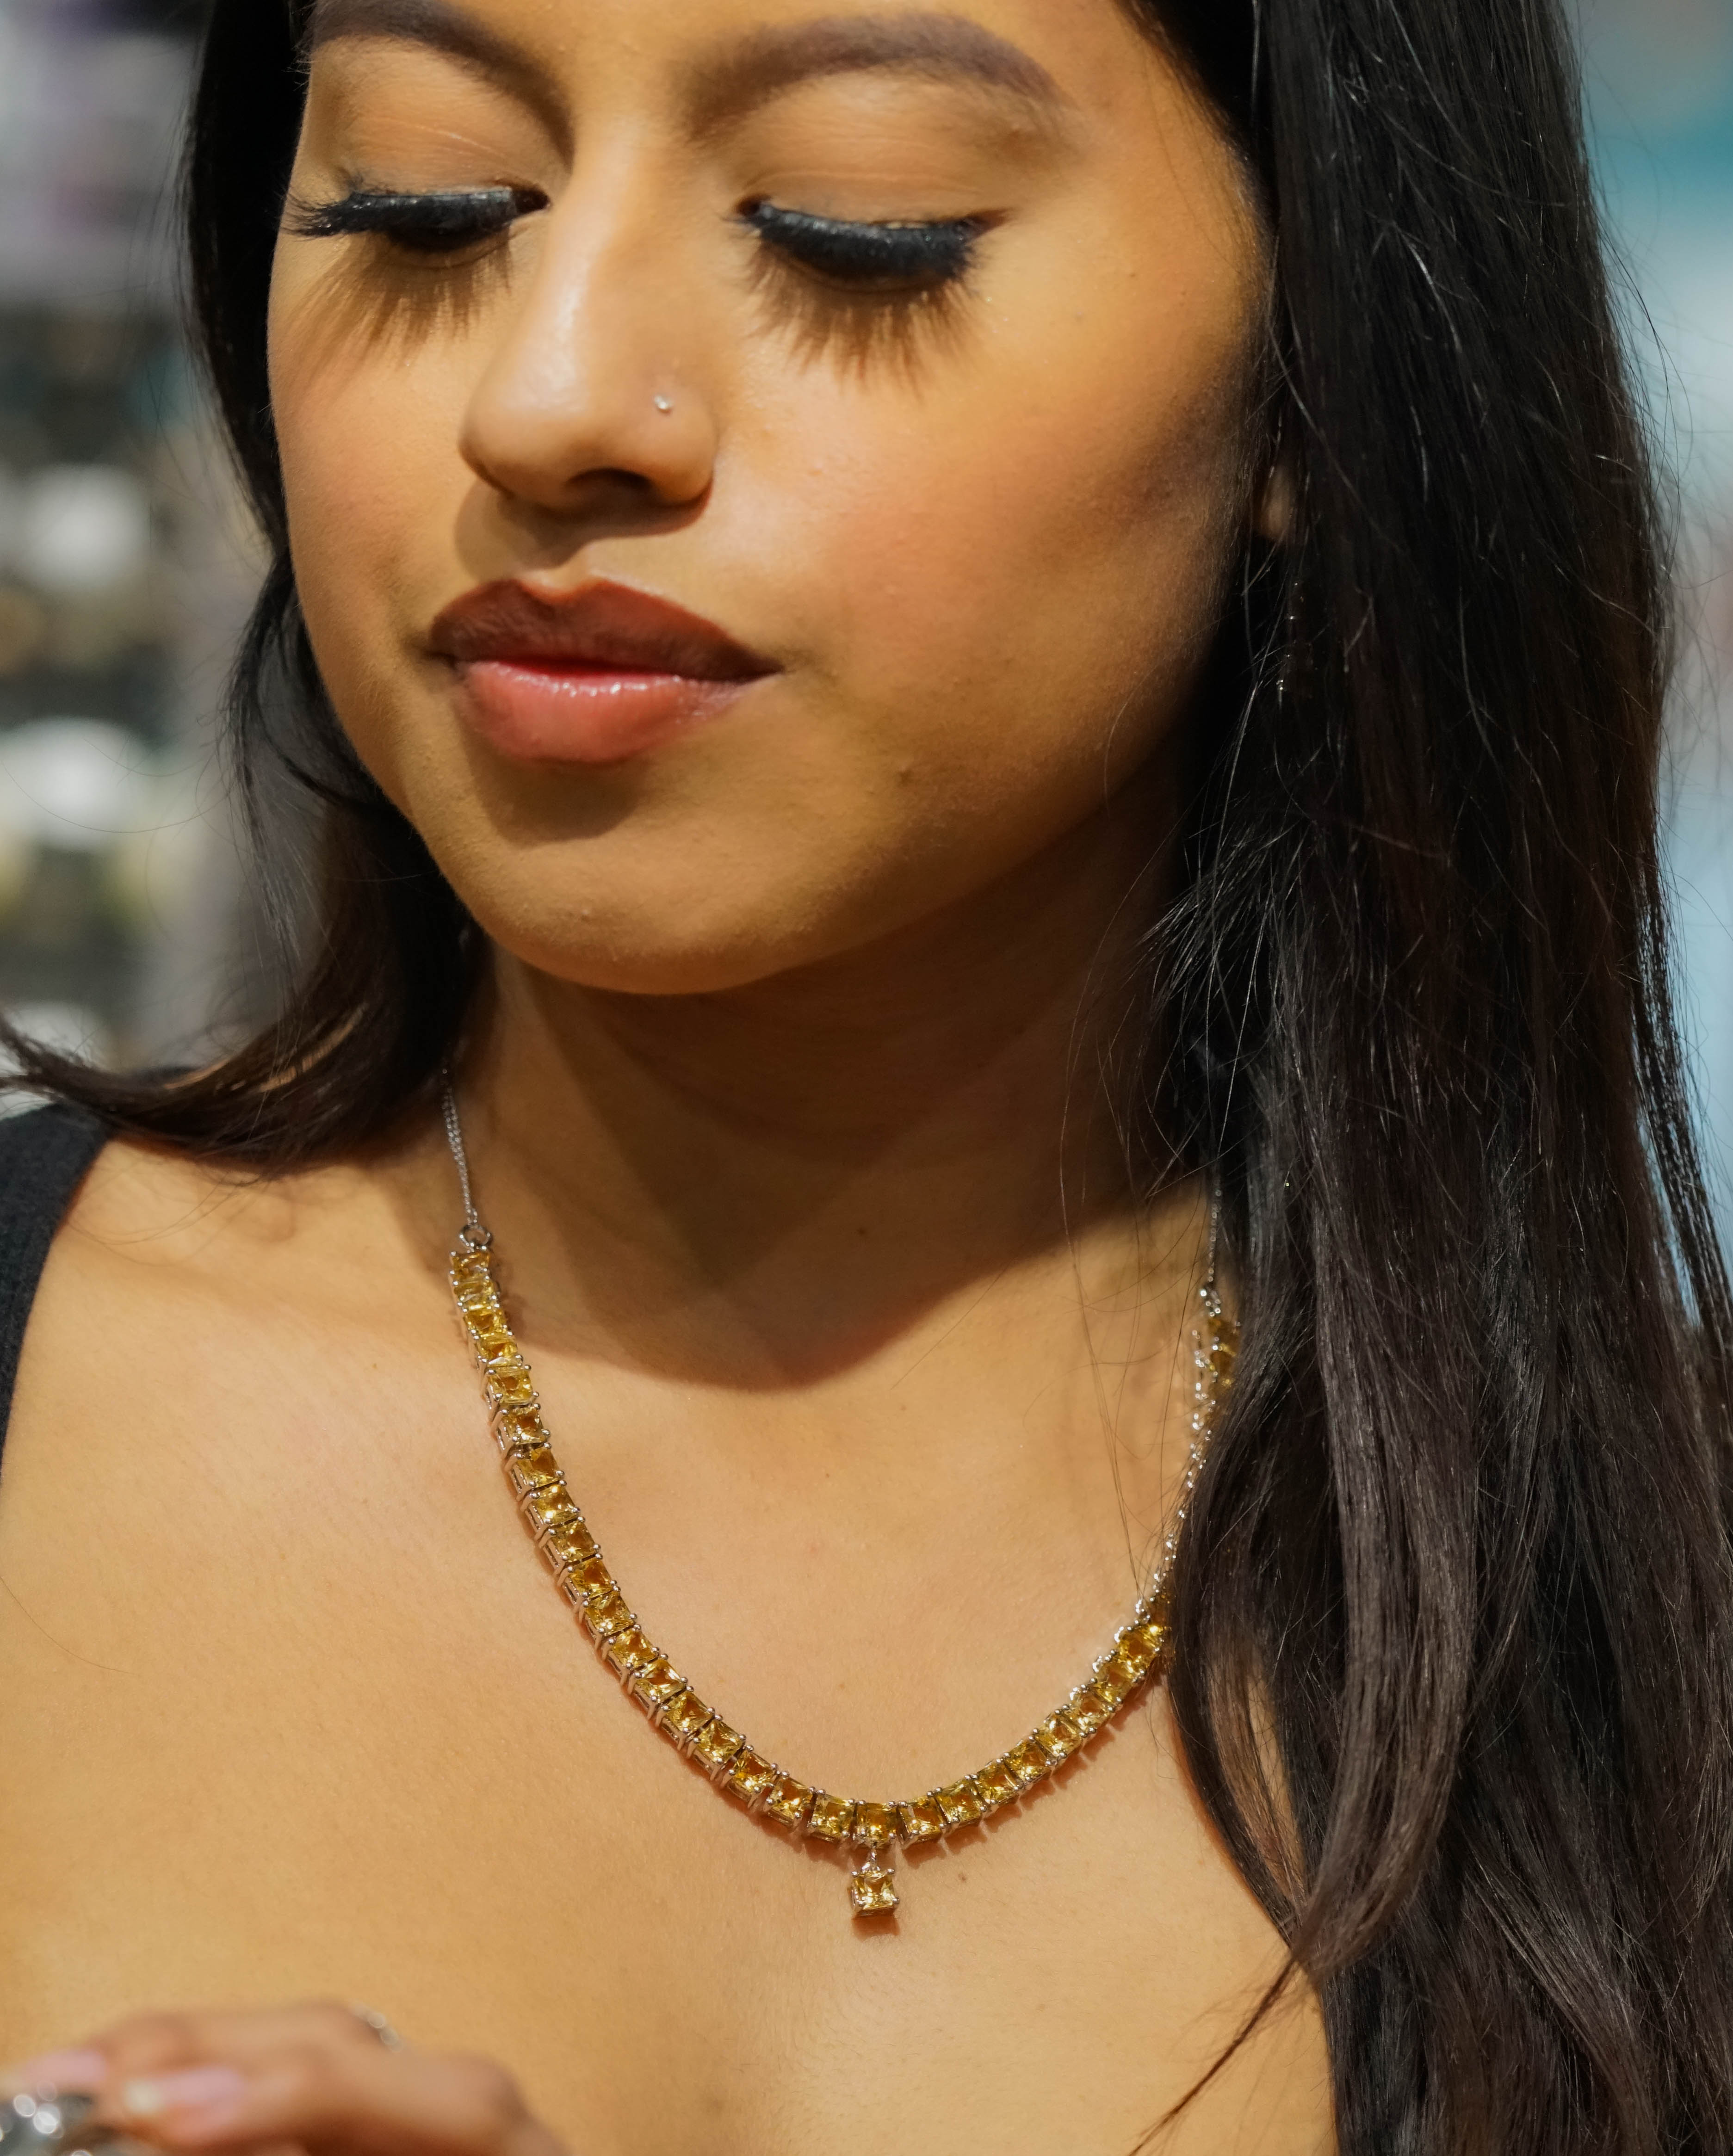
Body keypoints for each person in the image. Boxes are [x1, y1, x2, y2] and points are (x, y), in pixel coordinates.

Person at [2, 0, 1729, 2148]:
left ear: (1321, 375)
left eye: (855, 232)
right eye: (426, 208)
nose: (549, 405)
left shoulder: (1655, 1600)